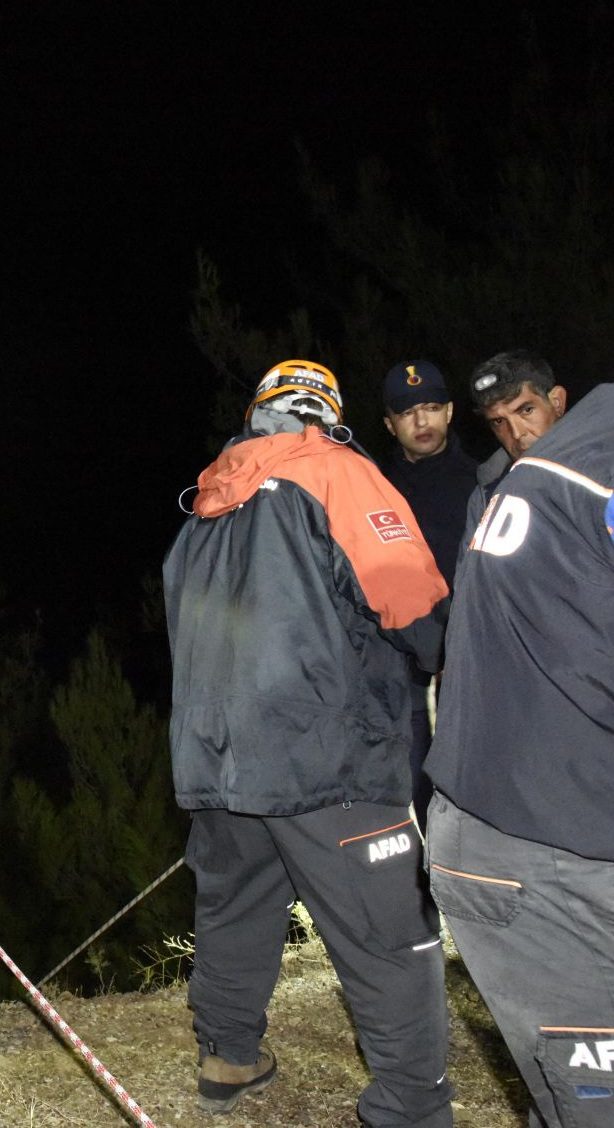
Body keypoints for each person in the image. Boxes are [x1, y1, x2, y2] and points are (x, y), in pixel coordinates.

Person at [163, 360, 453, 1124]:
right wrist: (454, 656)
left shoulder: (209, 500)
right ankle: (411, 1104)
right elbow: (410, 597)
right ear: (325, 414)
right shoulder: (336, 471)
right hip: (326, 755)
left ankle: (229, 1055)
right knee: (390, 934)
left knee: (237, 905)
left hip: (220, 758)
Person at [424, 381, 614, 1128]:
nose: (512, 432)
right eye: (497, 422)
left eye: (523, 413)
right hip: (538, 843)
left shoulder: (548, 472)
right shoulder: (575, 480)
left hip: (527, 813)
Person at [378, 360, 475, 831]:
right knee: (412, 809)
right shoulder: (371, 489)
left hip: (469, 674)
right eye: (408, 411)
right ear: (389, 423)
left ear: (451, 412)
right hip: (398, 682)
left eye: (432, 407)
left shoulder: (484, 482)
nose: (422, 421)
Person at [464, 349, 568, 540]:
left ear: (557, 402)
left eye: (526, 410)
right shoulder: (487, 495)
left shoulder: (603, 471)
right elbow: (472, 569)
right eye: (498, 421)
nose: (517, 432)